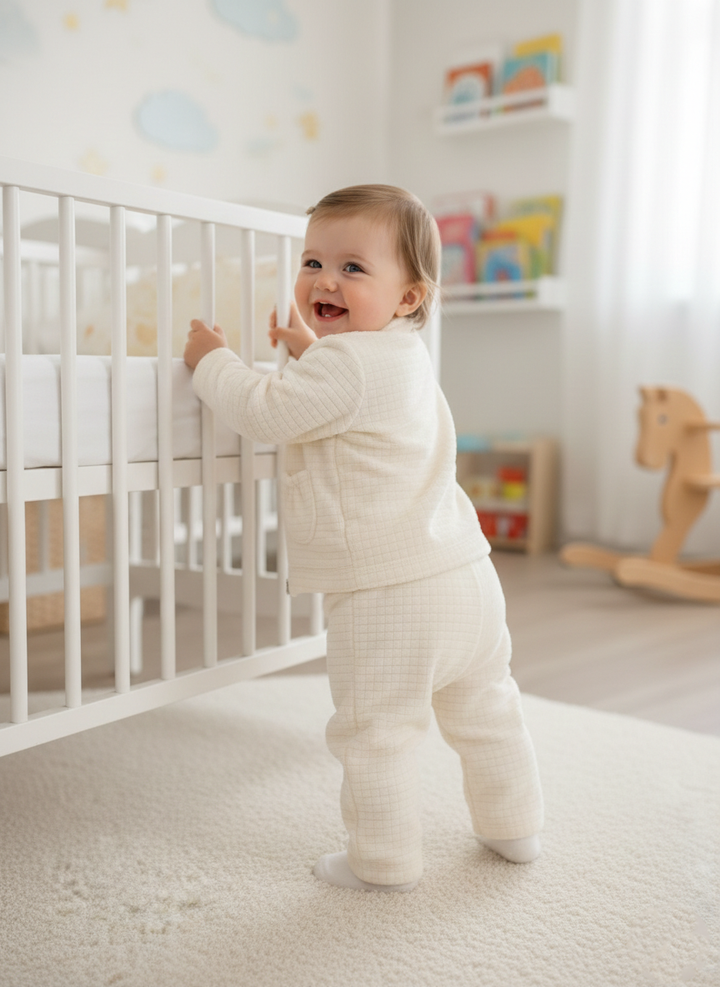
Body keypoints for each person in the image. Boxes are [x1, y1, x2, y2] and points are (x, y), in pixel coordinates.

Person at [183, 184, 544, 892]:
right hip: (466, 575)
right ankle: (516, 825)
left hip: (390, 593)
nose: (324, 278)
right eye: (314, 260)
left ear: (408, 297)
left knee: (376, 731)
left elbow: (267, 410)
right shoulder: (404, 357)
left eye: (353, 268)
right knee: (486, 706)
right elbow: (344, 391)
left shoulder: (344, 367)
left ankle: (382, 860)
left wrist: (211, 363)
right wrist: (309, 349)